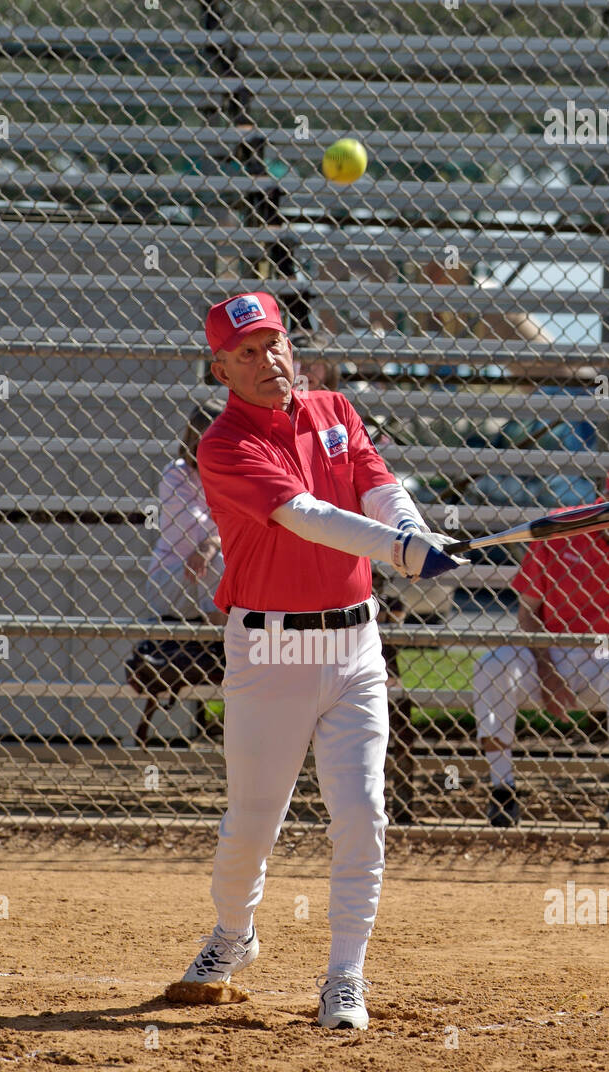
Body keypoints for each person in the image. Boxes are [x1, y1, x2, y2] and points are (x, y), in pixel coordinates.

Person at [175, 291, 465, 1029]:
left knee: (364, 813)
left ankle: (345, 976)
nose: (267, 360)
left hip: (355, 643)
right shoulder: (224, 446)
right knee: (251, 824)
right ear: (221, 369)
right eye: (246, 352)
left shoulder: (334, 409)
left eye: (274, 343)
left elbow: (377, 485)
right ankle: (234, 935)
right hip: (271, 647)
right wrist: (399, 551)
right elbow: (305, 516)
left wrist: (410, 526)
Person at [473, 460, 609, 829]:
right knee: (491, 664)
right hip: (546, 648)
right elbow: (528, 611)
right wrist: (546, 671)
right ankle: (502, 790)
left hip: (608, 654)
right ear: (604, 502)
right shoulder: (563, 526)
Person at [128, 405, 225, 745]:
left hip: (207, 577)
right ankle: (227, 650)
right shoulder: (177, 473)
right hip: (174, 578)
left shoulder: (233, 473)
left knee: (222, 560)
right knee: (221, 562)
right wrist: (215, 538)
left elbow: (246, 524)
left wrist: (213, 540)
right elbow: (190, 532)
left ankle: (226, 646)